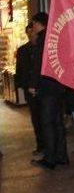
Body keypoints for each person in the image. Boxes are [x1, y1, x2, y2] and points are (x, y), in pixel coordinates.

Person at [30, 12, 69, 170]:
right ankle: (62, 156)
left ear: (39, 23)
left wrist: (33, 84)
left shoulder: (42, 38)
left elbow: (39, 63)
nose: (33, 28)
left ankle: (50, 158)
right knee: (58, 122)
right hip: (58, 86)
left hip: (46, 87)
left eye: (33, 24)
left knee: (47, 123)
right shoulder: (55, 37)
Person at [15, 22, 44, 156]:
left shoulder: (42, 48)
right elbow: (19, 70)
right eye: (29, 32)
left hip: (43, 90)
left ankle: (49, 145)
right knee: (36, 119)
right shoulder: (22, 50)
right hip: (29, 90)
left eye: (33, 32)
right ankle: (40, 145)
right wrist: (20, 86)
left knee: (46, 118)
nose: (31, 34)